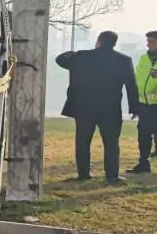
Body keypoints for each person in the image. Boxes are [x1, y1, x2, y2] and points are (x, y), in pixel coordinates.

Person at [55, 30, 139, 184]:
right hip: (111, 109)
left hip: (84, 108)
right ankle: (112, 176)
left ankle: (83, 174)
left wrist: (73, 53)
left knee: (83, 141)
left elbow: (59, 60)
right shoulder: (123, 60)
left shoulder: (82, 57)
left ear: (99, 41)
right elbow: (131, 85)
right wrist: (134, 107)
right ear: (114, 43)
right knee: (112, 143)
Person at [128, 30, 157, 173]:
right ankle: (144, 163)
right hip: (144, 106)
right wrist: (135, 105)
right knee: (143, 135)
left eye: (151, 41)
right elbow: (137, 80)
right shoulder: (143, 58)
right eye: (147, 41)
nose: (148, 44)